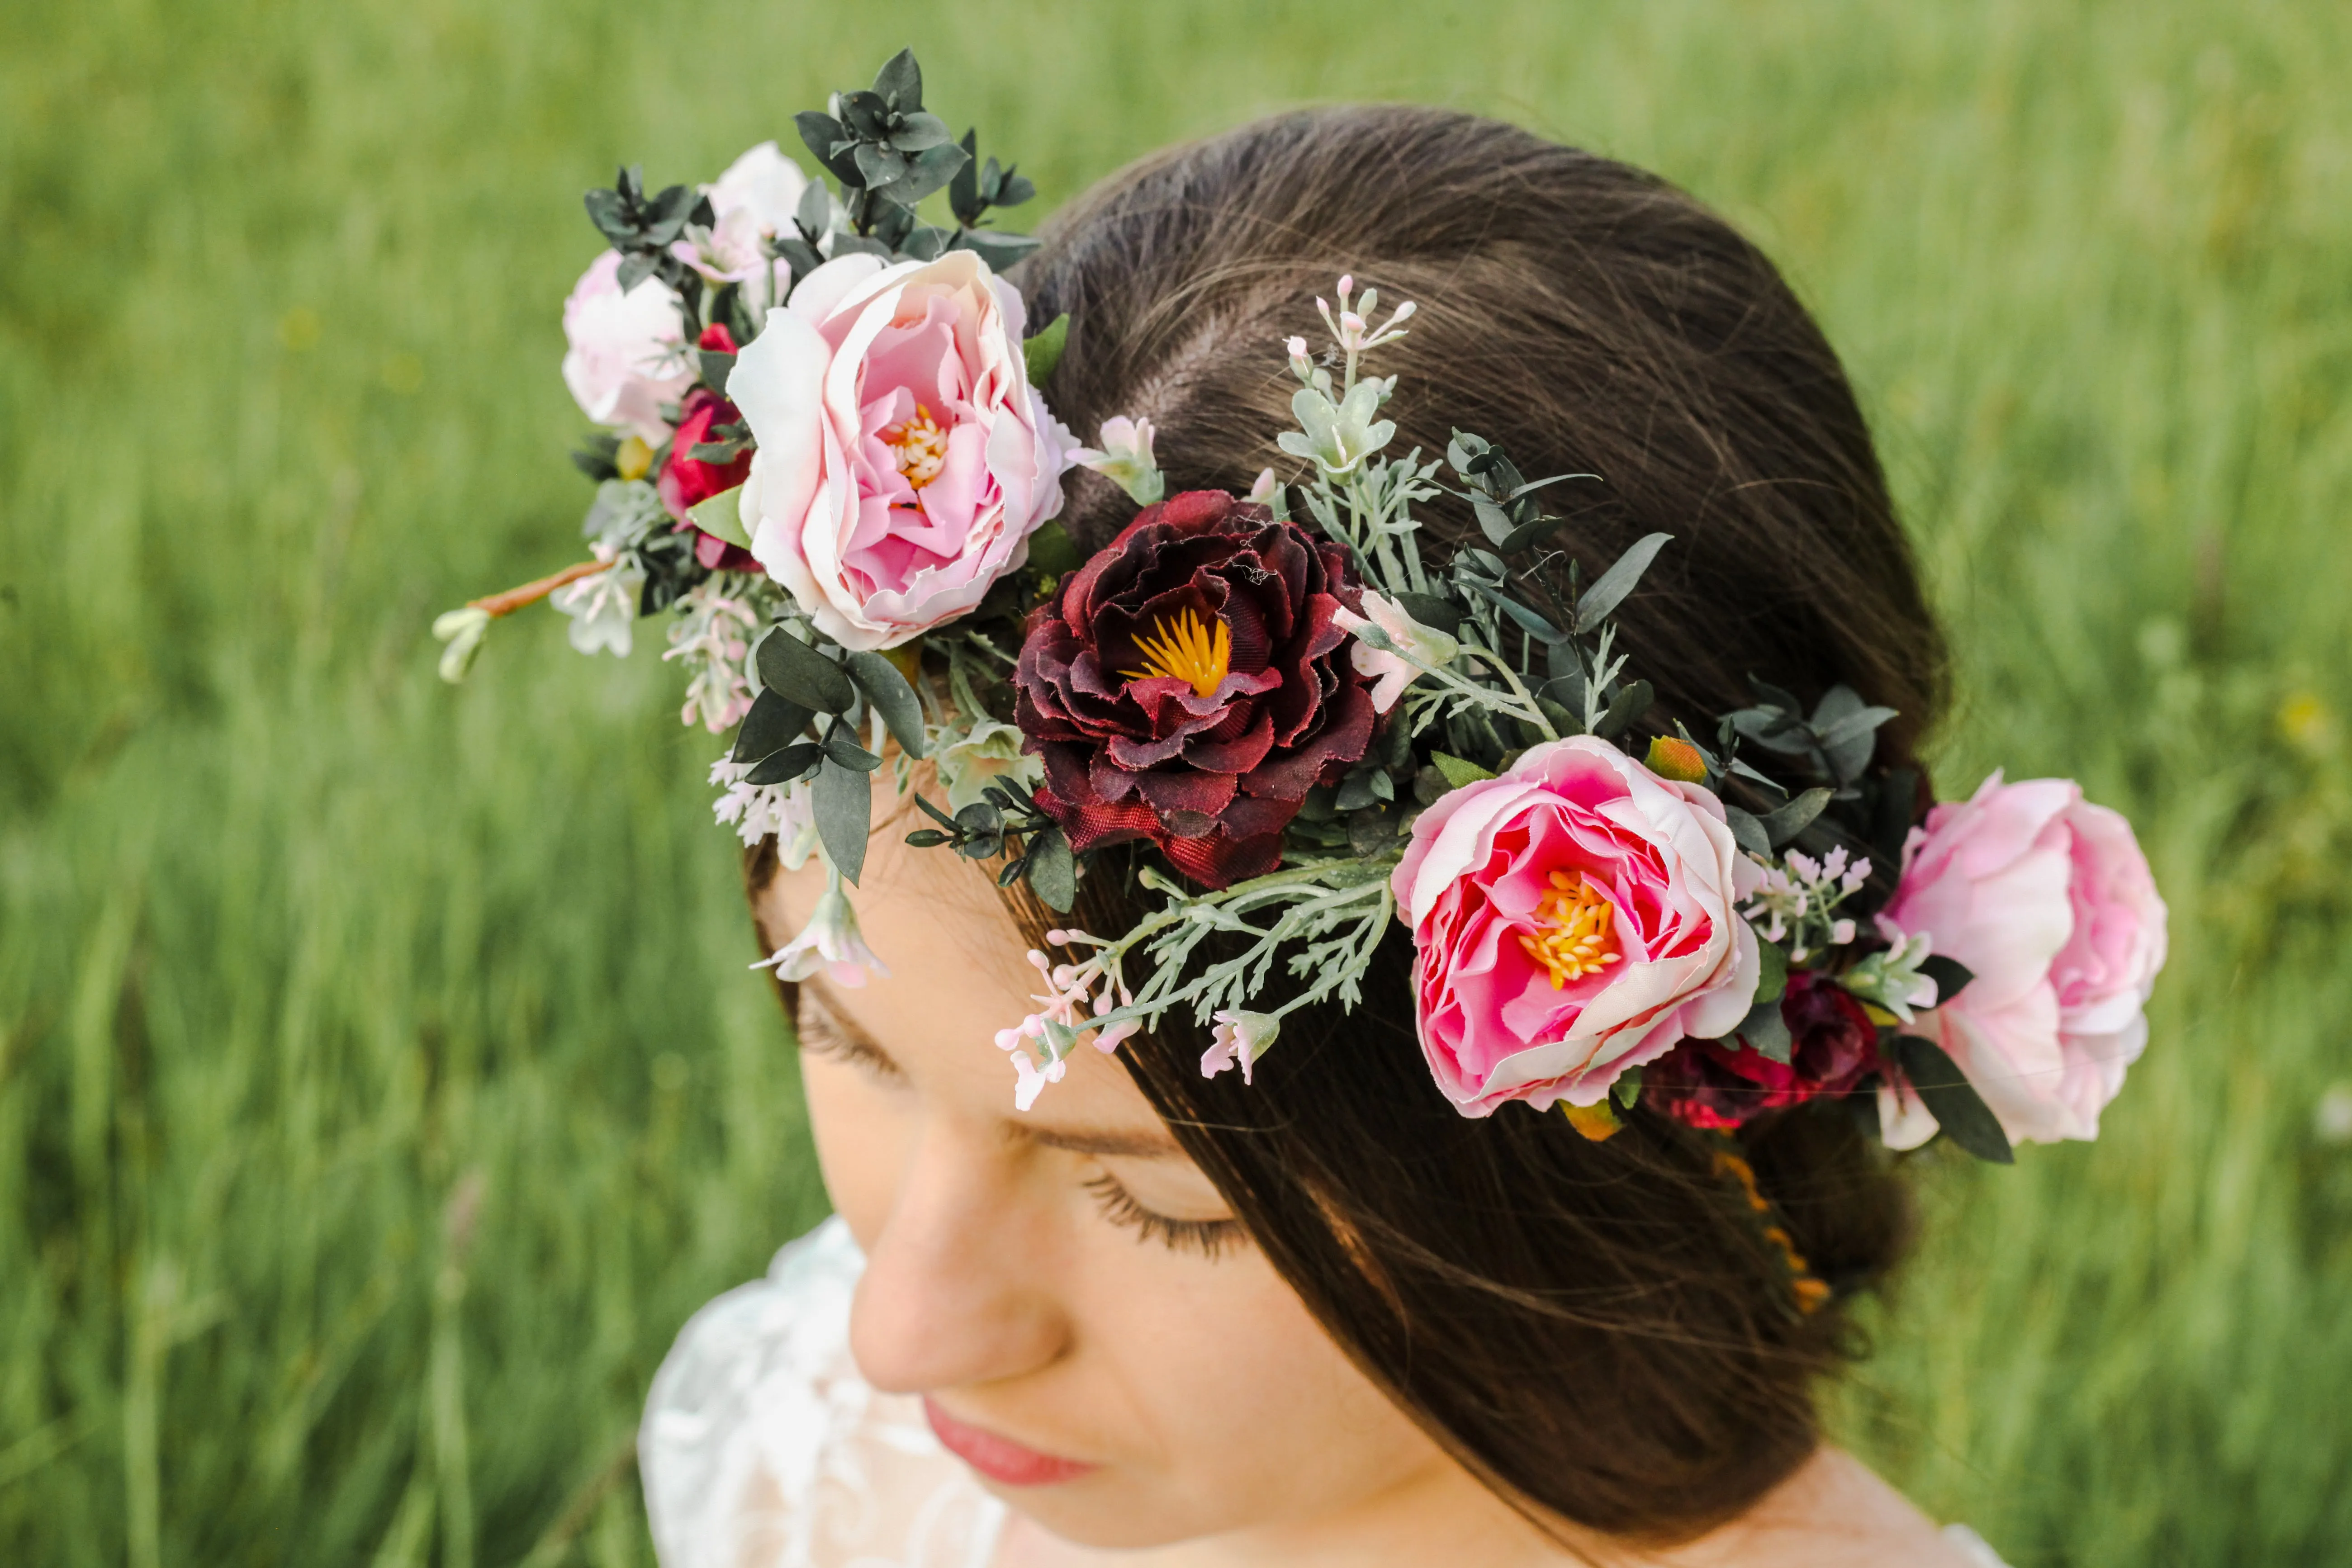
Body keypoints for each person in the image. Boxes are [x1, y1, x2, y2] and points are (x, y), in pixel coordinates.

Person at [621, 104, 2169, 1566]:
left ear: (1603, 1149)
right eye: (850, 1039)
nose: (898, 1335)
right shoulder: (830, 1471)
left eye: (1166, 1202)